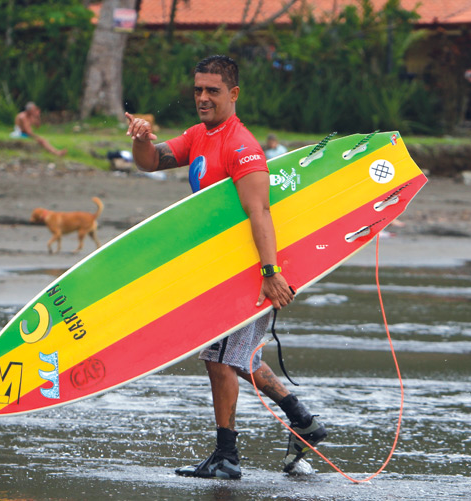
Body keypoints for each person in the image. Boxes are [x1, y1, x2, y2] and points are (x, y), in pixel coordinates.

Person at [126, 55, 327, 480]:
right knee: (236, 358)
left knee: (219, 358)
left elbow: (261, 213)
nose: (202, 97)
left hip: (250, 271)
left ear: (233, 94)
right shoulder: (201, 135)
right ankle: (303, 420)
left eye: (212, 90)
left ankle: (227, 456)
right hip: (222, 270)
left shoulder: (242, 147)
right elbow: (152, 161)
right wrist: (141, 139)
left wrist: (271, 275)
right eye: (198, 89)